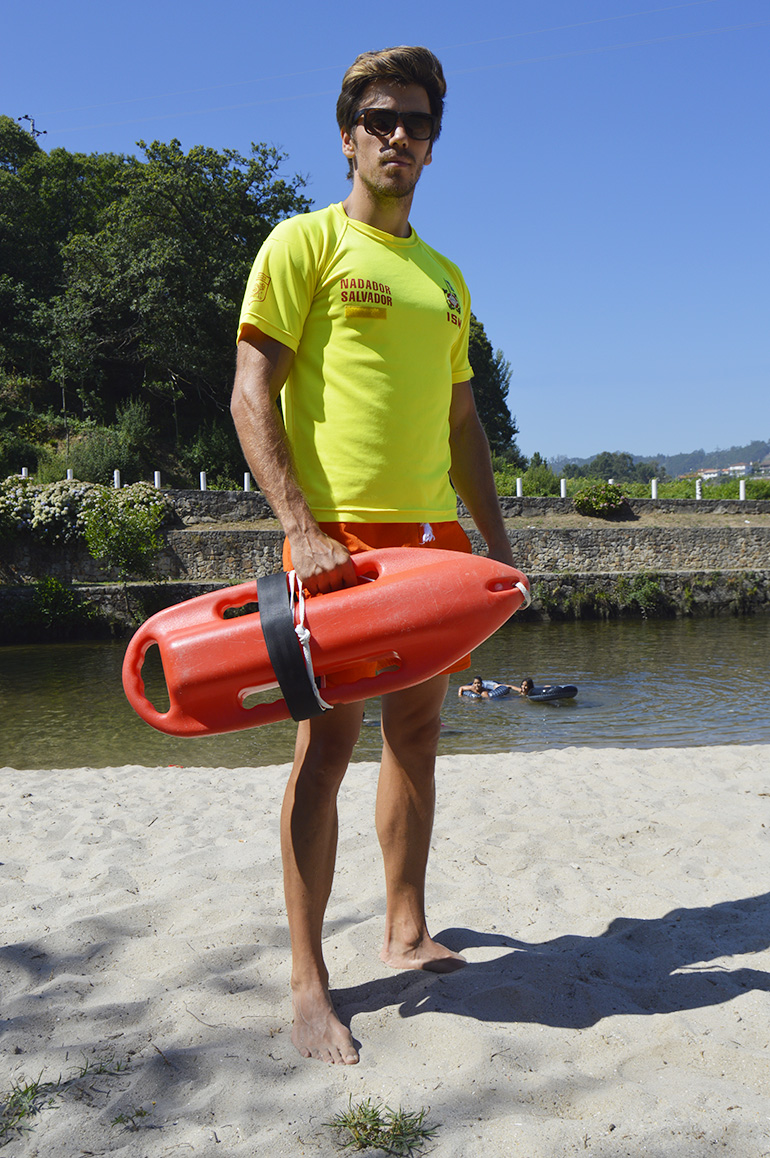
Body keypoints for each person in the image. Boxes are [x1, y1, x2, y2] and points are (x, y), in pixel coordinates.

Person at [230, 45, 514, 1066]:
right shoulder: (302, 245)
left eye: (418, 124)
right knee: (326, 751)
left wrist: (495, 545)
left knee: (419, 737)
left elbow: (464, 424)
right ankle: (309, 981)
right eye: (381, 120)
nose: (399, 137)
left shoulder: (442, 278)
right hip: (335, 545)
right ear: (349, 134)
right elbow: (249, 393)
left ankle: (403, 924)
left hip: (432, 540)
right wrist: (300, 525)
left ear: (434, 145)